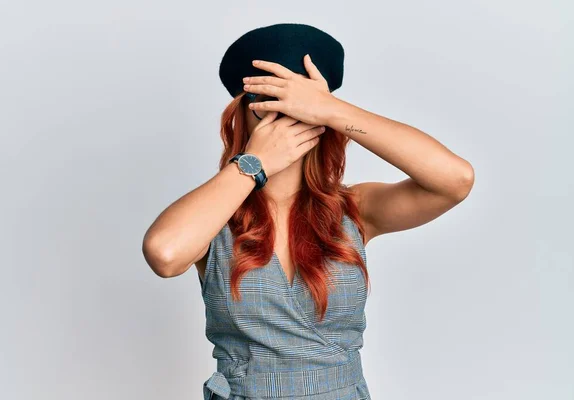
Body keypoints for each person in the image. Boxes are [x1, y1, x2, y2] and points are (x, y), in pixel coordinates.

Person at [142, 23, 474, 400]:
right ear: (242, 115)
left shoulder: (355, 210)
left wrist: (332, 108)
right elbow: (164, 254)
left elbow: (455, 180)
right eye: (270, 104)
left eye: (299, 108)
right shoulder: (215, 216)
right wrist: (254, 162)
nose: (286, 119)